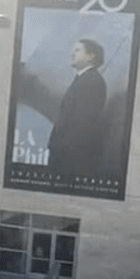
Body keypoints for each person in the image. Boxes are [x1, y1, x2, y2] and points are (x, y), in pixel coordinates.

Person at [47, 38, 108, 179]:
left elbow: (83, 122)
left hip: (70, 160)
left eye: (77, 50)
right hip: (66, 156)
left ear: (91, 56)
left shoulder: (91, 81)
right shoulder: (84, 79)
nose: (72, 54)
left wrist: (62, 150)